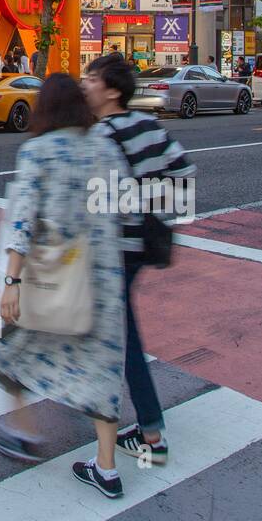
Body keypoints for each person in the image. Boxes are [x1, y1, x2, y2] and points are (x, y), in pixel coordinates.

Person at [0, 73, 127, 498]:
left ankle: (21, 427)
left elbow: (24, 220)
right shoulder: (104, 146)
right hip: (101, 276)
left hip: (51, 278)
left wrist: (12, 281)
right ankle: (107, 467)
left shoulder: (38, 151)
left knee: (12, 348)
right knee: (103, 368)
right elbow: (123, 203)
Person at [82, 54, 195, 468]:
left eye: (91, 78)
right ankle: (143, 426)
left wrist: (130, 214)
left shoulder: (103, 135)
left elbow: (96, 206)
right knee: (120, 332)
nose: (85, 84)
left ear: (111, 89)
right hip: (141, 247)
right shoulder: (149, 125)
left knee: (121, 338)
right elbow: (185, 169)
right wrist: (158, 217)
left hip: (115, 252)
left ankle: (150, 433)